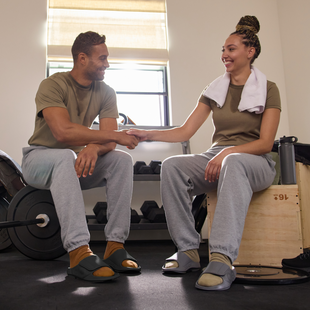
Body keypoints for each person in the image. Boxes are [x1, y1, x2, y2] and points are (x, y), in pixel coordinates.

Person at [128, 16, 281, 290]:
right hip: (219, 156)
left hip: (254, 161)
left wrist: (229, 153)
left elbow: (266, 143)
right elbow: (185, 132)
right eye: (223, 50)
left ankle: (222, 259)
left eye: (231, 49)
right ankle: (187, 250)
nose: (224, 55)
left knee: (233, 161)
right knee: (173, 166)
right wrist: (146, 134)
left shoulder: (269, 90)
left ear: (250, 51)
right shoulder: (215, 89)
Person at [22, 31, 141, 282]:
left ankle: (115, 246)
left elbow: (107, 139)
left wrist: (94, 147)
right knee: (65, 155)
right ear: (82, 58)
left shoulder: (106, 91)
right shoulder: (53, 84)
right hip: (39, 159)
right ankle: (78, 251)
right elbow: (62, 132)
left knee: (121, 160)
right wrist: (113, 137)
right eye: (103, 58)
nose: (107, 64)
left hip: (74, 162)